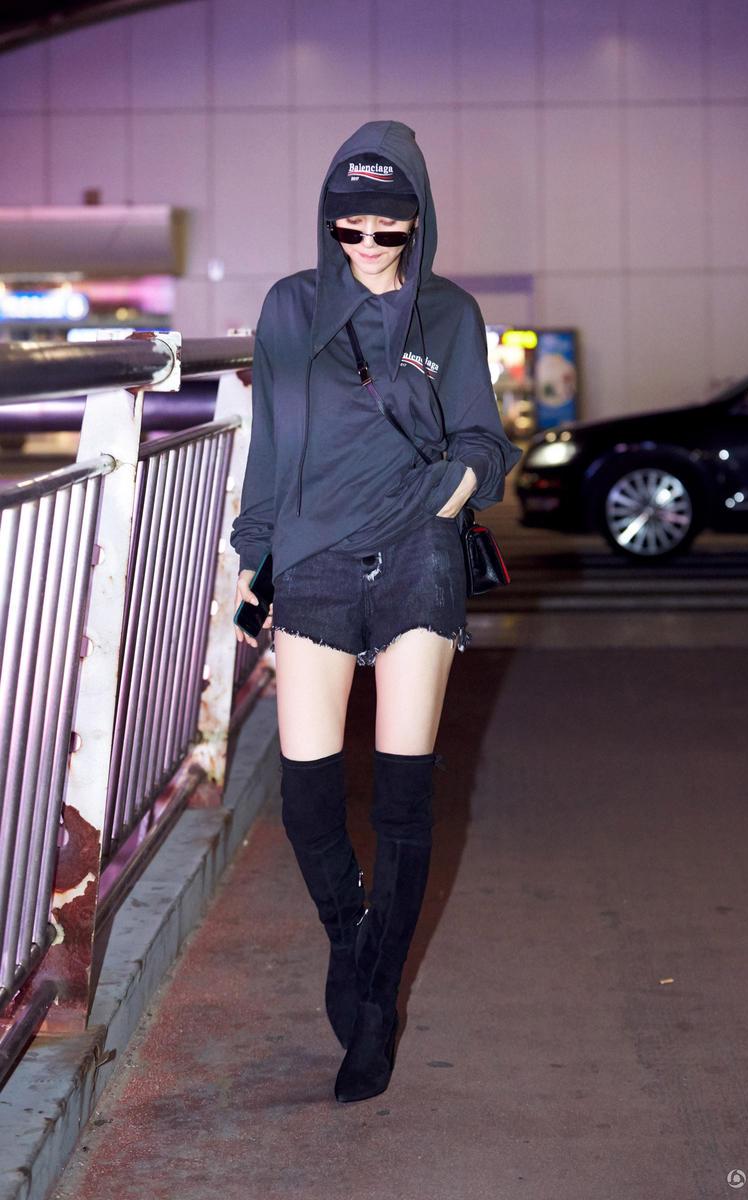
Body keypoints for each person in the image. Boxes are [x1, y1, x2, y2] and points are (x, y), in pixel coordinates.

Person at [230, 120, 521, 1103]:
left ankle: (376, 1003)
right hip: (314, 557)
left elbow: (482, 439)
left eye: (385, 227)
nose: (365, 243)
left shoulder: (449, 314)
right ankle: (352, 938)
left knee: (402, 795)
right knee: (306, 798)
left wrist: (443, 500)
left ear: (417, 221)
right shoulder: (290, 307)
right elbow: (271, 444)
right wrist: (252, 557)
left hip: (416, 558)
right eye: (347, 225)